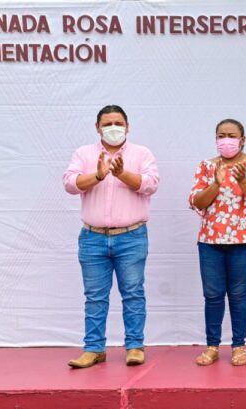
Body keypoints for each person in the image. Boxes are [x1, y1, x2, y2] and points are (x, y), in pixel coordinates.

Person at [62, 105, 159, 368]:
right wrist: (98, 174)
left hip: (131, 236)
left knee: (133, 293)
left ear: (128, 126)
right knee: (95, 295)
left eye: (118, 123)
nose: (113, 128)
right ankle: (94, 349)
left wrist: (121, 174)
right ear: (97, 127)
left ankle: (135, 346)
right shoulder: (84, 154)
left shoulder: (142, 154)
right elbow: (70, 184)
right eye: (107, 124)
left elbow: (151, 184)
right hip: (92, 238)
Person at [188, 119, 246, 367]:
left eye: (232, 135)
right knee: (212, 295)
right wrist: (217, 182)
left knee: (237, 293)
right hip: (211, 240)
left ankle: (238, 346)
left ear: (242, 139)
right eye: (221, 135)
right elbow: (197, 201)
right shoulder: (207, 166)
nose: (226, 140)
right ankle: (212, 346)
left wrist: (243, 180)